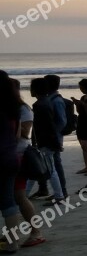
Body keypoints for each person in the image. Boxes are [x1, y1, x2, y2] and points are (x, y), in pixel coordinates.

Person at [10, 79, 45, 247]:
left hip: (18, 155)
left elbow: (25, 133)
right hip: (9, 155)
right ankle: (14, 234)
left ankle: (35, 232)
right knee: (14, 197)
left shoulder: (23, 109)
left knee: (19, 196)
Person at [28, 78, 64, 205]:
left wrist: (54, 144)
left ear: (36, 90)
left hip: (45, 144)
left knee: (50, 170)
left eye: (31, 88)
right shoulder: (45, 103)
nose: (29, 90)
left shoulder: (40, 105)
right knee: (39, 169)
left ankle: (59, 196)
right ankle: (23, 195)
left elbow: (48, 127)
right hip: (46, 143)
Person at [0, 71, 25, 254]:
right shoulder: (14, 108)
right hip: (11, 158)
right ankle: (13, 242)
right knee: (8, 201)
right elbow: (17, 136)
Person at [43, 75, 67, 198]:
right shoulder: (51, 98)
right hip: (53, 137)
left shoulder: (56, 100)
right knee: (54, 163)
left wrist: (53, 133)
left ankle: (62, 191)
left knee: (56, 164)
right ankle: (59, 191)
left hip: (54, 138)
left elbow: (62, 122)